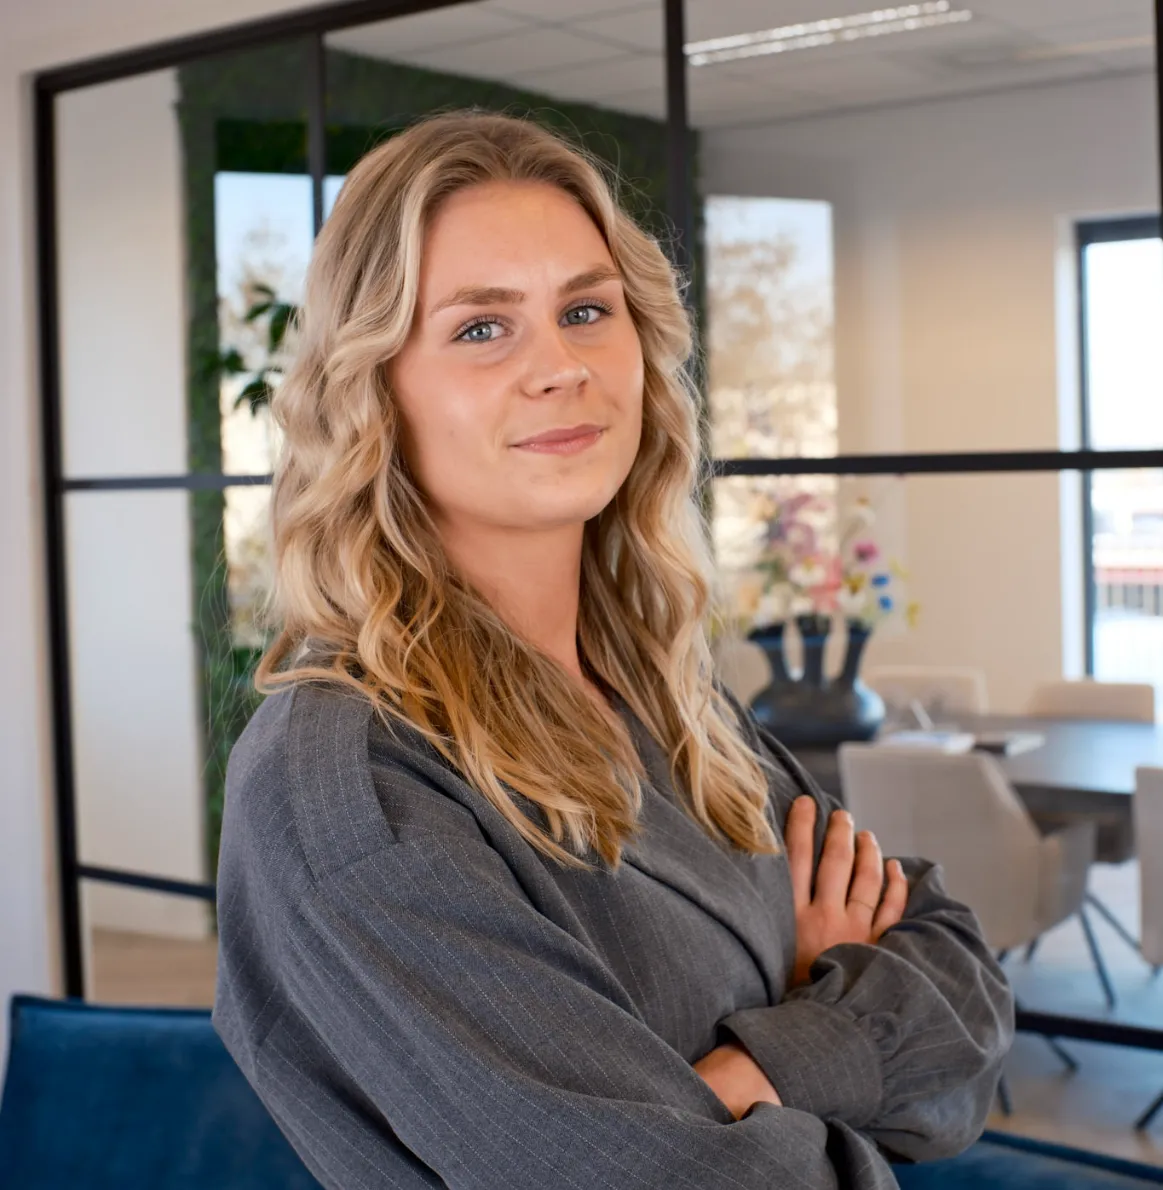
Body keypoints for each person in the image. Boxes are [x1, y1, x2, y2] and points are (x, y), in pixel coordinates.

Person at [212, 108, 1013, 1189]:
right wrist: (825, 1010)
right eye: (481, 328)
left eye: (585, 309)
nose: (561, 367)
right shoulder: (352, 783)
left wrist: (741, 1072)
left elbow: (959, 979)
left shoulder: (664, 694)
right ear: (374, 392)